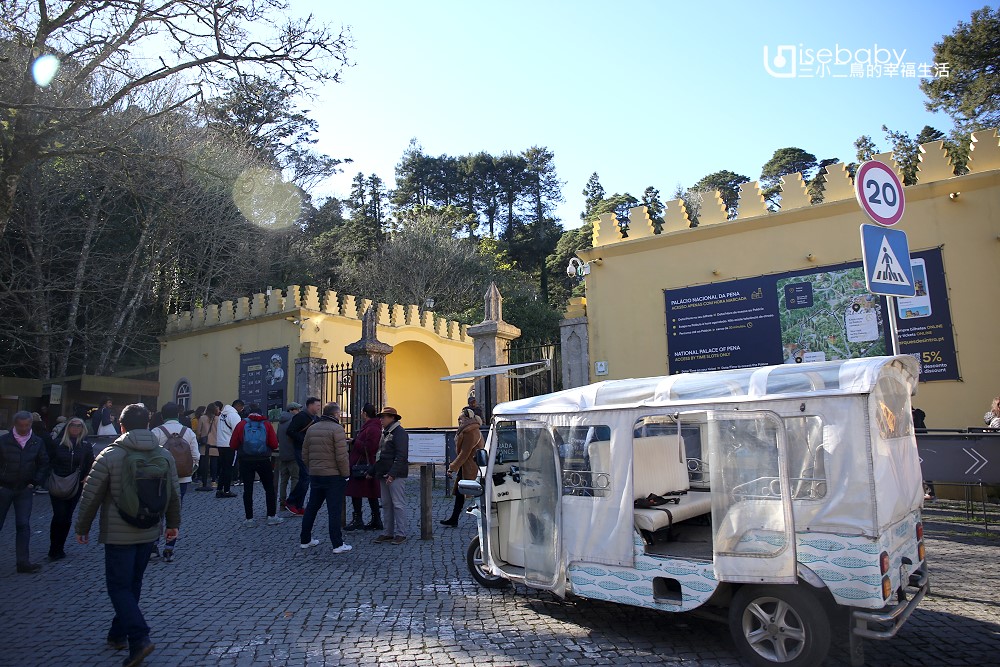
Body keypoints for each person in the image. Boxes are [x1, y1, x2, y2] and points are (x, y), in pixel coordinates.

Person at [75, 403, 181, 666]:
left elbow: (91, 495)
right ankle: (117, 633)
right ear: (148, 424)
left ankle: (139, 636)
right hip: (149, 530)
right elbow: (173, 494)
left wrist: (82, 527)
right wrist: (172, 524)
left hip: (118, 532)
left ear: (121, 426)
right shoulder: (164, 455)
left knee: (119, 586)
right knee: (132, 584)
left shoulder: (109, 454)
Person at [0, 411, 49, 573]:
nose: (24, 428)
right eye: (21, 425)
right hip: (4, 487)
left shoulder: (36, 442)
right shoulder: (4, 441)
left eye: (27, 425)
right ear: (15, 424)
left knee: (23, 525)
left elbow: (43, 463)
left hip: (24, 488)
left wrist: (34, 482)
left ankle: (23, 562)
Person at [299, 402, 351, 552]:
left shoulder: (312, 429)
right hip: (333, 475)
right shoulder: (337, 429)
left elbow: (305, 453)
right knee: (334, 510)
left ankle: (305, 539)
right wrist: (345, 474)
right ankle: (337, 544)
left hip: (316, 474)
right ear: (335, 414)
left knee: (311, 507)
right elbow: (341, 456)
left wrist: (312, 467)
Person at [153, 402, 200, 561]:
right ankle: (169, 548)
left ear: (162, 416)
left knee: (156, 511)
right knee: (175, 513)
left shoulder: (156, 432)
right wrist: (189, 472)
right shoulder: (188, 432)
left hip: (159, 478)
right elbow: (196, 456)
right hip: (182, 479)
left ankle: (153, 546)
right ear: (179, 415)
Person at [46, 417, 94, 560]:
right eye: (73, 425)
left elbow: (90, 463)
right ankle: (54, 548)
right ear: (68, 427)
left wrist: (87, 476)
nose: (76, 428)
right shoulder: (57, 444)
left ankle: (60, 547)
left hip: (75, 484)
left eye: (79, 426)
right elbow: (48, 461)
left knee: (67, 517)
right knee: (59, 515)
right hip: (58, 482)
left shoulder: (85, 446)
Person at [229, 403, 283, 527]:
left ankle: (249, 519)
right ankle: (271, 516)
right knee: (269, 488)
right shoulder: (266, 424)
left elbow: (233, 444)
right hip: (263, 460)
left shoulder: (242, 424)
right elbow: (274, 444)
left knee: (248, 489)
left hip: (246, 460)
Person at [368, 407, 409, 545]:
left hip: (395, 474)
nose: (381, 420)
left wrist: (392, 473)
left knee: (397, 504)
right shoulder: (386, 432)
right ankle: (388, 532)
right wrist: (373, 471)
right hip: (384, 473)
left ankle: (401, 533)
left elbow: (401, 456)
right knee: (386, 504)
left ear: (392, 418)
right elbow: (381, 455)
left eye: (383, 417)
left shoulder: (399, 433)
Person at [441, 408, 485, 527]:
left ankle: (485, 519)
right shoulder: (467, 430)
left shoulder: (471, 432)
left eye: (460, 419)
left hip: (472, 467)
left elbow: (465, 452)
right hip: (468, 465)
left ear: (466, 419)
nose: (459, 421)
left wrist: (452, 467)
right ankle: (454, 519)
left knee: (478, 494)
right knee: (461, 493)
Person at [345, 403, 383, 532]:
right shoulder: (370, 426)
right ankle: (374, 519)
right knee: (367, 492)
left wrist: (355, 442)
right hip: (363, 463)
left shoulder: (372, 428)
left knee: (361, 492)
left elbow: (370, 447)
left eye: (362, 411)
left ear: (365, 413)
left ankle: (362, 519)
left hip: (364, 464)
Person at [285, 397, 321, 515]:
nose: (318, 407)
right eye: (317, 405)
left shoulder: (315, 418)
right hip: (300, 449)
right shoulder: (300, 417)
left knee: (305, 477)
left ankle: (298, 505)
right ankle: (291, 501)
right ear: (310, 405)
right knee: (306, 477)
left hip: (309, 450)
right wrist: (304, 440)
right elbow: (290, 431)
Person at [215, 399, 243, 498]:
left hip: (220, 444)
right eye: (241, 408)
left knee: (223, 468)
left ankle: (219, 489)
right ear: (238, 406)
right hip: (230, 444)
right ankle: (226, 490)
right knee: (229, 468)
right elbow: (238, 431)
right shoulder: (234, 416)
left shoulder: (222, 415)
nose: (242, 410)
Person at [276, 402, 301, 510]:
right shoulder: (293, 421)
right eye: (297, 409)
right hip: (292, 453)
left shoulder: (280, 422)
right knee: (295, 478)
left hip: (282, 454)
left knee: (283, 480)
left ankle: (282, 503)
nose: (298, 412)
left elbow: (277, 437)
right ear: (291, 410)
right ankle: (292, 502)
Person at [196, 403, 218, 491]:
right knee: (214, 463)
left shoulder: (202, 418)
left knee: (204, 463)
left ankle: (203, 481)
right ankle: (213, 481)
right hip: (215, 443)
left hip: (205, 443)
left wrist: (200, 437)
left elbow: (198, 431)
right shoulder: (218, 419)